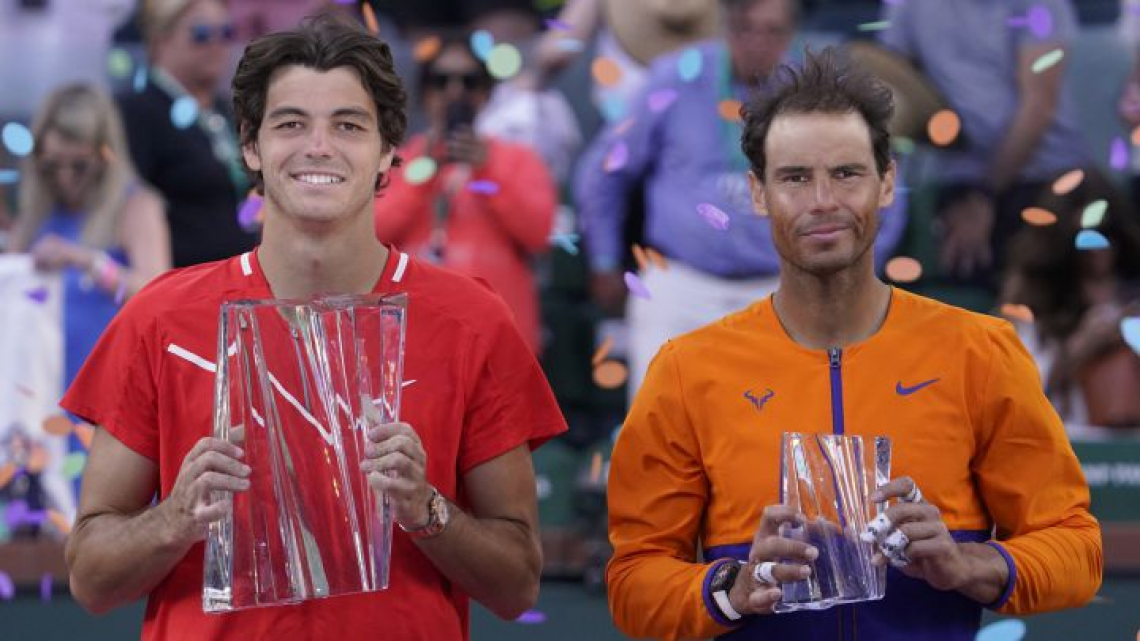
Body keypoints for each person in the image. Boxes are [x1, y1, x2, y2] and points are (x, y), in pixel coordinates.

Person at [63, 13, 567, 640]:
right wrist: (175, 517)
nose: (318, 146)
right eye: (290, 123)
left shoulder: (472, 320)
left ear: (389, 150)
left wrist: (426, 509)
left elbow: (517, 585)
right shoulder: (160, 318)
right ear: (252, 144)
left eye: (349, 125)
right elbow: (89, 577)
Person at [605, 48, 1102, 639]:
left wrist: (969, 564)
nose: (822, 202)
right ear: (758, 193)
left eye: (847, 173)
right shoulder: (688, 370)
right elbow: (633, 581)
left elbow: (1078, 549)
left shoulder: (980, 351)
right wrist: (730, 589)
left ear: (887, 182)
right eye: (794, 178)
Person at [574, 0, 907, 399]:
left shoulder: (822, 92)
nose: (757, 43)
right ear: (725, 27)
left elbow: (881, 183)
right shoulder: (677, 76)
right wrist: (605, 260)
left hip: (785, 284)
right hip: (680, 280)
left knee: (792, 423)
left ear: (791, 33)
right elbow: (605, 169)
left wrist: (852, 275)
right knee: (656, 421)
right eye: (745, 29)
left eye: (772, 31)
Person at [878, 0, 1090, 288]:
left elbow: (1038, 107)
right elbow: (894, 86)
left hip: (1048, 173)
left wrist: (983, 196)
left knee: (1037, 277)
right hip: (959, 177)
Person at [374, 32, 556, 355]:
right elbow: (374, 235)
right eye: (442, 81)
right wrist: (424, 172)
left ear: (486, 93)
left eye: (469, 82)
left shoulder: (518, 159)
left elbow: (539, 234)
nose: (455, 92)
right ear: (426, 93)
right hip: (416, 342)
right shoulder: (398, 162)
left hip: (501, 342)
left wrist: (487, 170)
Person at [6, 83, 170, 387]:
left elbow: (156, 297)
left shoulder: (136, 206)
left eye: (79, 165)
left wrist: (88, 262)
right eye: (53, 165)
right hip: (40, 384)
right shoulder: (37, 211)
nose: (65, 176)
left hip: (107, 387)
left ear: (104, 156)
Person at [119, 0, 257, 268]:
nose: (217, 45)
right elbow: (131, 204)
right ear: (160, 41)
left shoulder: (227, 111)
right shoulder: (137, 112)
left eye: (227, 33)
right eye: (202, 34)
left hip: (237, 278)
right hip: (182, 282)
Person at [1001, 170, 1140, 428]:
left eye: (1108, 236)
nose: (1098, 251)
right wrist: (1079, 349)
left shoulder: (1132, 297)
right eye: (1084, 241)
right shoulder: (1030, 301)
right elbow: (1016, 395)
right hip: (1061, 445)